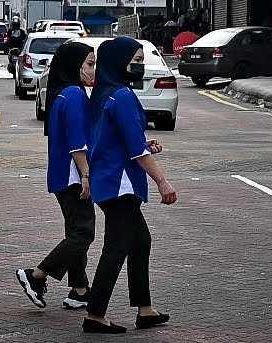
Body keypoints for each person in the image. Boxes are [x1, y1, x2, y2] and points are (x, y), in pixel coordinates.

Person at [83, 37, 177, 334]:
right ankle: (95, 314)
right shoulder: (122, 96)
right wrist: (163, 182)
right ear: (118, 62)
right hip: (120, 185)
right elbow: (136, 150)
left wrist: (144, 144)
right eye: (135, 61)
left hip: (109, 181)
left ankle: (145, 308)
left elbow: (113, 139)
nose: (140, 67)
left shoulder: (104, 94)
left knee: (140, 242)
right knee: (116, 248)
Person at [16, 42, 98, 311]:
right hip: (73, 177)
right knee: (83, 234)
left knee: (76, 232)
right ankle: (37, 274)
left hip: (63, 176)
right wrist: (86, 175)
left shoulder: (61, 94)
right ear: (75, 66)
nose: (92, 69)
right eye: (89, 64)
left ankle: (79, 289)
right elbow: (77, 142)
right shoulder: (74, 94)